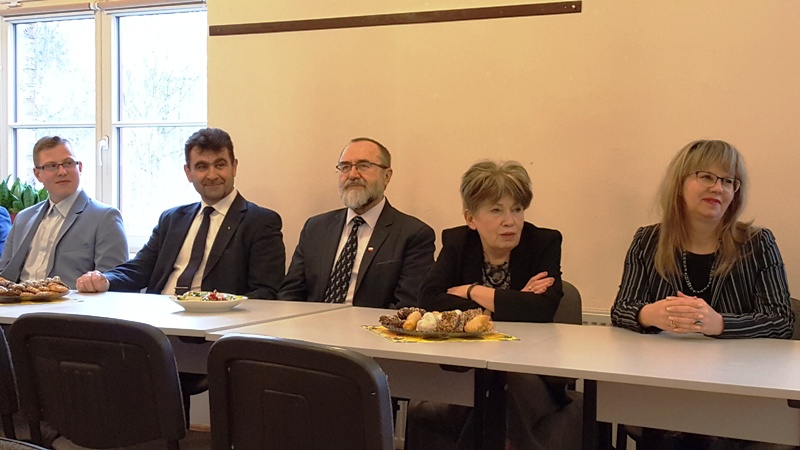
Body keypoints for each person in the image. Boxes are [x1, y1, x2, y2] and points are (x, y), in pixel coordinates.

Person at [611, 139, 794, 448]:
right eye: (706, 176)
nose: (718, 188)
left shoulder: (758, 242)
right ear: (680, 184)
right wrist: (650, 314)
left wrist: (719, 323)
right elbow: (621, 309)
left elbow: (781, 320)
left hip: (737, 388)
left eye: (728, 181)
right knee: (664, 424)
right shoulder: (647, 240)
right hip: (665, 383)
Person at [409, 160, 571, 450]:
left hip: (529, 371)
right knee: (489, 390)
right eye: (496, 210)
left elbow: (541, 310)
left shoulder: (543, 242)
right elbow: (429, 298)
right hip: (468, 367)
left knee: (501, 388)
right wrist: (513, 301)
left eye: (517, 209)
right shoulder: (457, 242)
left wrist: (473, 291)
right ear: (471, 218)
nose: (510, 221)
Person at [76, 127, 285, 299]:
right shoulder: (172, 219)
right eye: (202, 167)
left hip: (216, 324)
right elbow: (140, 268)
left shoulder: (260, 222)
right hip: (159, 319)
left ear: (234, 167)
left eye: (220, 165)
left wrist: (221, 307)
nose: (212, 175)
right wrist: (105, 279)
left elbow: (265, 292)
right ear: (188, 172)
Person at [278, 137, 435, 308]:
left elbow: (407, 307)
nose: (352, 175)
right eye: (345, 167)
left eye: (363, 166)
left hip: (373, 325)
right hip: (311, 323)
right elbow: (290, 294)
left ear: (387, 176)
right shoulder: (315, 228)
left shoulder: (413, 234)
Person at [0, 136, 127, 288]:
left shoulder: (105, 218)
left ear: (80, 167)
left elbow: (115, 282)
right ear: (37, 174)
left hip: (69, 301)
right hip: (16, 300)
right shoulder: (23, 218)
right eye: (51, 166)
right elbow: (4, 274)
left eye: (68, 163)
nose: (62, 172)